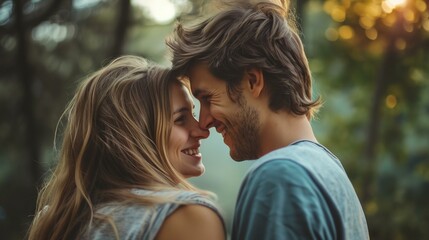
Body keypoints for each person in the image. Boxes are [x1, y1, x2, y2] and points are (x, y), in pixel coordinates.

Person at [167, 0, 370, 239]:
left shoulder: (279, 178)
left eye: (208, 98)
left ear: (253, 81)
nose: (203, 122)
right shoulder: (329, 172)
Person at [27, 56, 225, 240]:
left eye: (193, 114)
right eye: (180, 119)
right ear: (137, 136)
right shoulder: (186, 218)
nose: (203, 131)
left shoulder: (56, 222)